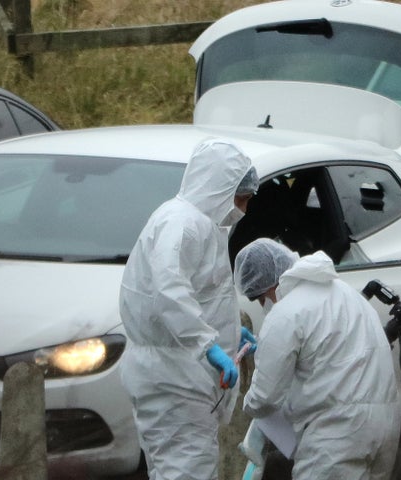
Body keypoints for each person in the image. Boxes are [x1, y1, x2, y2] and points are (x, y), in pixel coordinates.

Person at [119, 138, 259, 480]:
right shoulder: (182, 224)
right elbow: (169, 290)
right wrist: (209, 345)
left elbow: (200, 294)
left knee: (177, 470)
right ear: (220, 187)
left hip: (180, 377)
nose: (243, 207)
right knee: (187, 470)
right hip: (175, 380)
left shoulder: (199, 225)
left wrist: (227, 331)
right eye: (240, 198)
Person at [234, 238, 400, 480]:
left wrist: (246, 403)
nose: (264, 306)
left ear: (267, 286)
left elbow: (264, 399)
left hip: (336, 434)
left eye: (261, 299)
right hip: (385, 426)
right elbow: (327, 350)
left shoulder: (285, 313)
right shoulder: (346, 293)